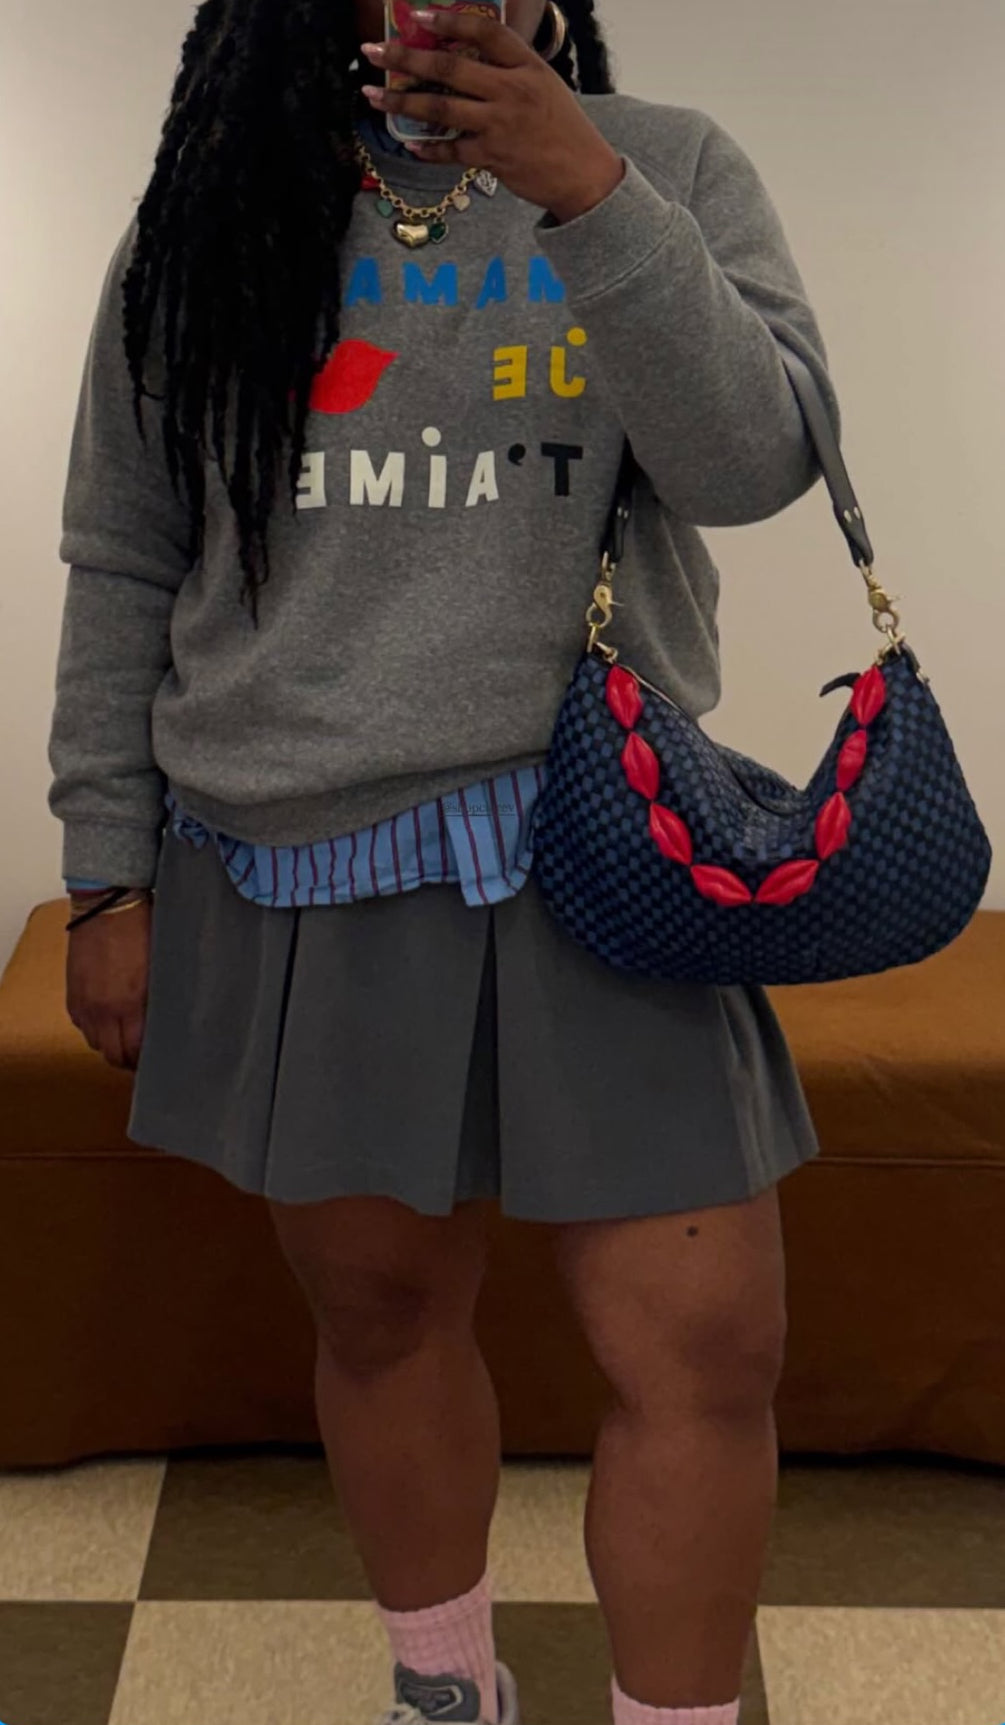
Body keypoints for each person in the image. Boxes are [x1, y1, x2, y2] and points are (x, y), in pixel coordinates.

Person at [48, 2, 843, 1721]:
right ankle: (444, 1693)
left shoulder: (668, 163)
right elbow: (124, 553)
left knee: (709, 1346)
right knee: (383, 1316)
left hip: (609, 848)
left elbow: (754, 467)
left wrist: (587, 189)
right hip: (299, 849)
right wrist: (105, 870)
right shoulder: (216, 207)